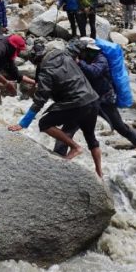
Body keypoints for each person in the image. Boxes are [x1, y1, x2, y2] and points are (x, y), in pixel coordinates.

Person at [9, 41, 103, 178]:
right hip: (92, 99)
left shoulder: (45, 71)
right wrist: (88, 45)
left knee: (44, 123)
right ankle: (100, 174)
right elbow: (78, 45)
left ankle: (75, 147)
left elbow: (40, 100)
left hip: (76, 104)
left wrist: (23, 123)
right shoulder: (64, 54)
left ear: (37, 60)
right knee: (91, 138)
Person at [59, 40, 136, 165]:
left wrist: (79, 62)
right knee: (68, 129)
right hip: (86, 99)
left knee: (120, 127)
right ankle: (58, 157)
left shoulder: (101, 58)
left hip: (104, 101)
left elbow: (94, 72)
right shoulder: (82, 58)